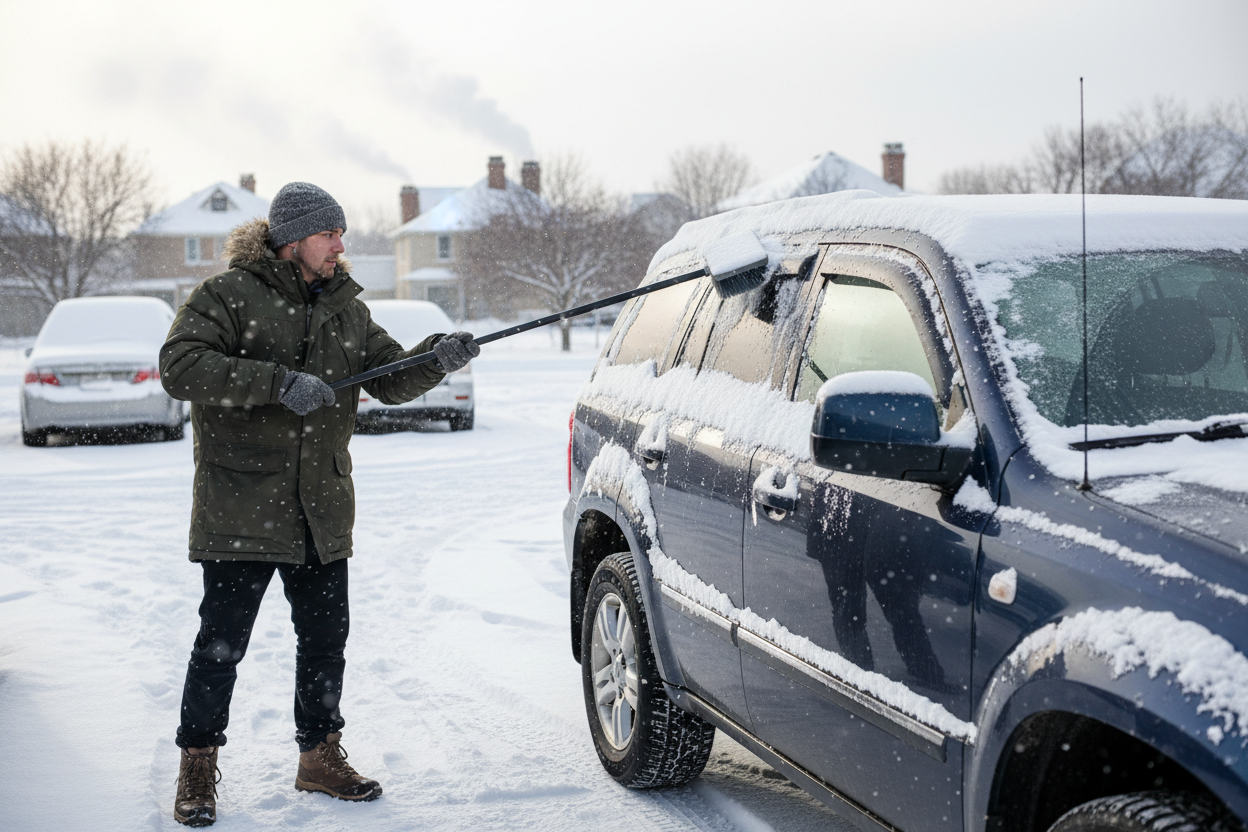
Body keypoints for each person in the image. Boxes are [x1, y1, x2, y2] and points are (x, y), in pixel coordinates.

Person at [159, 182, 479, 827]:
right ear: (293, 239)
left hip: (321, 506)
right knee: (221, 644)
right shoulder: (227, 295)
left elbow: (387, 378)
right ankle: (197, 765)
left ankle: (319, 757)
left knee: (325, 642)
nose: (340, 245)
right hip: (241, 504)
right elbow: (180, 366)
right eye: (330, 234)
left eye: (340, 234)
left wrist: (435, 360)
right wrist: (277, 384)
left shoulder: (345, 308)